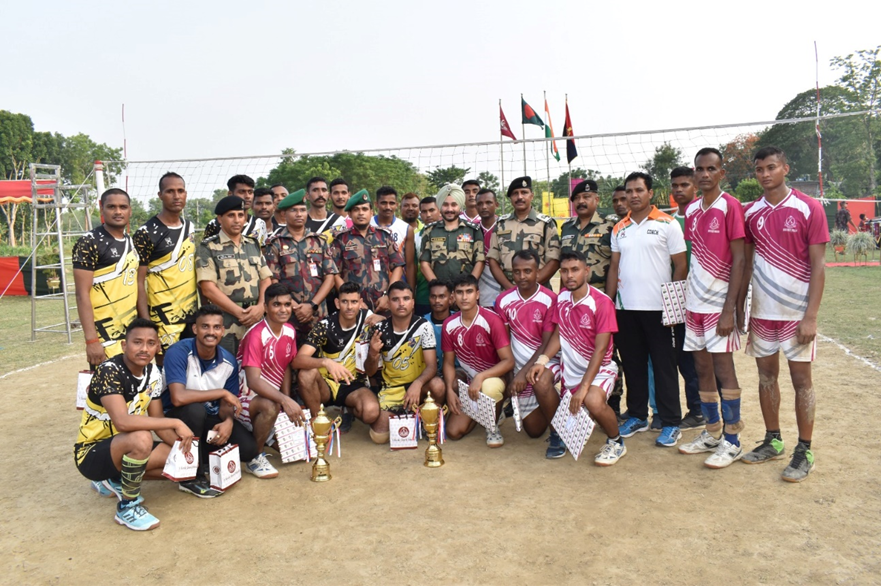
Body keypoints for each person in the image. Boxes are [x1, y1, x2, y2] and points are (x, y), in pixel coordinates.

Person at [738, 146, 829, 482]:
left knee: (801, 381)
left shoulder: (808, 208)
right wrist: (741, 308)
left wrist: (811, 316)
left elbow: (819, 265)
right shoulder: (751, 213)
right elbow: (746, 263)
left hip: (796, 312)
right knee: (765, 377)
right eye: (759, 169)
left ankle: (805, 449)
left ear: (785, 168)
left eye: (771, 167)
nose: (765, 174)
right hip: (763, 313)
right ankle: (773, 440)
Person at [74, 318, 194, 531]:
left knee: (176, 460)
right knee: (141, 437)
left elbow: (157, 421)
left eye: (150, 343)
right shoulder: (108, 371)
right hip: (91, 454)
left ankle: (113, 479)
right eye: (137, 342)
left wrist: (185, 452)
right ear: (124, 345)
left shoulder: (154, 372)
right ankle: (127, 506)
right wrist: (176, 422)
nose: (144, 349)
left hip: (123, 448)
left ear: (157, 346)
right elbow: (122, 422)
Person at [676, 149, 747, 468]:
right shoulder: (691, 210)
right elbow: (696, 259)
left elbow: (740, 260)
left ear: (721, 173)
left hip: (720, 305)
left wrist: (730, 309)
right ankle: (712, 432)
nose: (704, 174)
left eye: (711, 169)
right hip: (695, 305)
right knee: (702, 368)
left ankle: (733, 440)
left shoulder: (730, 206)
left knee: (723, 369)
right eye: (699, 169)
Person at [607, 172, 687, 448]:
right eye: (629, 191)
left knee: (664, 367)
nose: (633, 195)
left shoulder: (668, 224)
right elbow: (614, 267)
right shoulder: (620, 228)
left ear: (651, 193)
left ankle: (670, 421)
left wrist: (674, 304)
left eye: (639, 190)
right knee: (633, 365)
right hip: (626, 309)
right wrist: (609, 302)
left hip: (660, 310)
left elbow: (680, 265)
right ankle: (639, 415)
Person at [528, 251, 624, 466]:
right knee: (539, 379)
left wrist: (584, 387)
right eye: (564, 271)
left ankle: (616, 442)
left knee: (591, 399)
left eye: (575, 270)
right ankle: (557, 433)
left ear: (586, 271)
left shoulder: (602, 302)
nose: (569, 275)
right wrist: (541, 361)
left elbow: (600, 350)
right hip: (569, 365)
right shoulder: (561, 298)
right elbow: (559, 334)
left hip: (599, 369)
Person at [162, 305, 253, 498]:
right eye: (205, 327)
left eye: (216, 327)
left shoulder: (227, 360)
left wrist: (228, 422)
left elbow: (226, 405)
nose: (211, 332)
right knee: (195, 411)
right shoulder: (178, 352)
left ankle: (202, 455)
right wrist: (220, 392)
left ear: (222, 330)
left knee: (248, 449)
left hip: (207, 419)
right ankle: (190, 477)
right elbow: (178, 398)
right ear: (195, 329)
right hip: (177, 419)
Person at [493, 251, 565, 458]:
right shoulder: (503, 300)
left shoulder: (550, 299)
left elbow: (547, 343)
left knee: (540, 382)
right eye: (517, 272)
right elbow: (504, 342)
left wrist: (523, 374)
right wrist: (510, 374)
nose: (522, 276)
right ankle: (558, 405)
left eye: (527, 271)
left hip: (547, 360)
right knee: (533, 431)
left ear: (538, 272)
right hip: (518, 367)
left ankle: (558, 434)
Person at [236, 283, 305, 479]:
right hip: (243, 400)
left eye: (287, 304)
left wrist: (286, 398)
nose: (283, 310)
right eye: (276, 305)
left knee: (294, 452)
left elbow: (286, 366)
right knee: (270, 406)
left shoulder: (290, 330)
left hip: (272, 398)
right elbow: (253, 381)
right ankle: (254, 457)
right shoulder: (256, 335)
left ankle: (267, 435)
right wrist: (284, 401)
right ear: (265, 307)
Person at [292, 282, 382, 428]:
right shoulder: (325, 326)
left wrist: (382, 319)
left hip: (354, 384)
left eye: (354, 302)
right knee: (306, 374)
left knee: (371, 413)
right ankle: (319, 422)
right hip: (327, 384)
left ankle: (348, 409)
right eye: (345, 302)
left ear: (360, 303)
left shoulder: (368, 319)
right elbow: (297, 360)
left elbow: (391, 324)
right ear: (337, 303)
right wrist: (325, 362)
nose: (349, 307)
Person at [365, 281, 445, 443]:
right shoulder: (379, 329)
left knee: (438, 385)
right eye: (395, 299)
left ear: (413, 302)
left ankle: (427, 418)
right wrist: (373, 354)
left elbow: (431, 366)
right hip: (392, 390)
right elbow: (370, 372)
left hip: (419, 387)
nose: (401, 304)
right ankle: (407, 416)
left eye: (406, 298)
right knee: (379, 437)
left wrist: (417, 384)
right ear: (388, 303)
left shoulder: (423, 326)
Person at [442, 274, 515, 447]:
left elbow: (508, 361)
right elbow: (448, 363)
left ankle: (492, 426)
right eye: (459, 292)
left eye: (469, 291)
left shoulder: (492, 320)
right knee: (453, 432)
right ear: (453, 296)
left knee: (490, 387)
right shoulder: (449, 324)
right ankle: (484, 412)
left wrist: (481, 377)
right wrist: (449, 391)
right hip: (469, 382)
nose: (464, 297)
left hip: (494, 378)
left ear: (477, 294)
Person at [133, 172, 198, 364]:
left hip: (190, 314)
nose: (176, 196)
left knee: (191, 369)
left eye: (180, 191)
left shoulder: (189, 227)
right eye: (170, 191)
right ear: (160, 195)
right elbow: (138, 281)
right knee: (166, 371)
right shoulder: (145, 233)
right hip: (163, 317)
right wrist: (147, 325)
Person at [196, 195, 272, 355]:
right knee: (226, 369)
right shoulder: (208, 247)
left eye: (241, 215)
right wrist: (240, 313)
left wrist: (260, 307)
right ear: (219, 219)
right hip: (225, 321)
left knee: (255, 369)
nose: (237, 220)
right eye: (231, 215)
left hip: (256, 317)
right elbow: (208, 289)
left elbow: (266, 279)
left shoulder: (252, 244)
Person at [73, 188, 139, 367]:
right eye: (112, 207)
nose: (118, 212)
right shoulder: (89, 242)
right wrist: (92, 341)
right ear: (102, 210)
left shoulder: (130, 241)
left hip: (130, 333)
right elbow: (81, 294)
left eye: (123, 207)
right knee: (110, 392)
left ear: (130, 210)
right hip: (105, 336)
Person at [263, 189, 338, 339]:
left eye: (303, 210)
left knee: (319, 359)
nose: (299, 214)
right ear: (284, 214)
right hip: (288, 316)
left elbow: (330, 277)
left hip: (318, 315)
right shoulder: (275, 244)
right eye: (294, 210)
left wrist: (312, 305)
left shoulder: (319, 241)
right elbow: (273, 281)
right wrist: (296, 307)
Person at [668, 166, 705, 429]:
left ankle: (715, 410)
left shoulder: (707, 214)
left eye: (685, 185)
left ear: (696, 187)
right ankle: (696, 410)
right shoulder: (668, 222)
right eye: (675, 185)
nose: (679, 190)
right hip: (678, 301)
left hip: (707, 300)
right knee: (685, 359)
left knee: (711, 359)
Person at [330, 189, 405, 313]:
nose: (360, 213)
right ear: (349, 214)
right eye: (356, 210)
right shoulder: (340, 240)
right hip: (352, 307)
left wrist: (389, 295)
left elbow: (398, 266)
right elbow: (334, 273)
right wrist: (351, 300)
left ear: (371, 212)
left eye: (364, 209)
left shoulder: (384, 236)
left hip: (382, 303)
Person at [487, 176, 561, 291]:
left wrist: (530, 286)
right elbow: (493, 260)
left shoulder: (545, 224)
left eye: (524, 192)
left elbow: (554, 260)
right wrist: (510, 289)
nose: (519, 197)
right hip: (508, 290)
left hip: (539, 290)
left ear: (532, 196)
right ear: (510, 198)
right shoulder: (501, 224)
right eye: (515, 193)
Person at [419, 184, 485, 286]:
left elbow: (480, 261)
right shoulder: (430, 231)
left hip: (465, 292)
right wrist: (437, 286)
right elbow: (424, 264)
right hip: (439, 293)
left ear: (460, 206)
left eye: (454, 205)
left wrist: (469, 286)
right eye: (445, 205)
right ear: (440, 207)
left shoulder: (473, 230)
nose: (449, 209)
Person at [371, 186, 416, 286]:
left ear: (397, 205)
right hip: (372, 284)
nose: (388, 207)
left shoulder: (406, 229)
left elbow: (410, 265)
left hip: (398, 284)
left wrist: (411, 291)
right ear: (376, 204)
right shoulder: (367, 225)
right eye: (383, 203)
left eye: (391, 203)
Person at [203, 175, 267, 245]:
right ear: (230, 194)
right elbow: (206, 250)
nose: (247, 196)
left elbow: (262, 252)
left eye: (250, 192)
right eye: (242, 192)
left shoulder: (260, 223)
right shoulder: (214, 224)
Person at [475, 188, 502, 308]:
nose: (484, 207)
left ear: (496, 204)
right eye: (480, 204)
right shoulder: (471, 229)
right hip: (480, 286)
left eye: (488, 203)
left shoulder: (505, 227)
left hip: (502, 283)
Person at [414, 196, 440, 316]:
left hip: (450, 295)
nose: (428, 215)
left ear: (439, 210)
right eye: (424, 211)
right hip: (423, 295)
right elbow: (412, 267)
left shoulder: (451, 232)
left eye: (431, 210)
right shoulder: (415, 237)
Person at [425, 279, 455, 379]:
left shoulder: (460, 320)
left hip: (457, 370)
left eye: (442, 296)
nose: (437, 301)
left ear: (451, 299)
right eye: (433, 296)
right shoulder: (422, 323)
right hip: (431, 372)